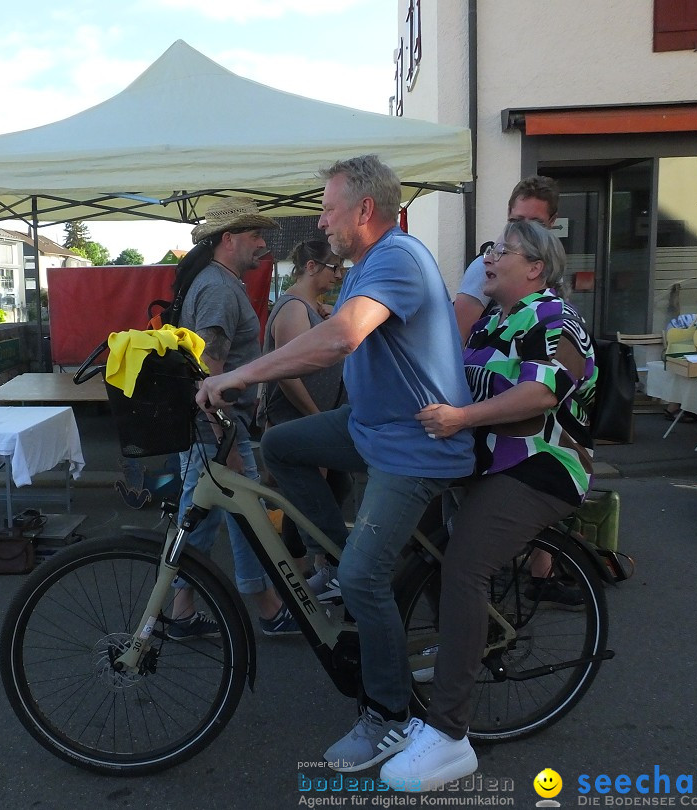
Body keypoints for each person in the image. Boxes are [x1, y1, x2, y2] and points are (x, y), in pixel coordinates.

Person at [197, 155, 475, 775]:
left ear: (365, 210)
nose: (320, 222)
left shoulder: (397, 257)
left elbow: (343, 336)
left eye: (327, 209)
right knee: (282, 447)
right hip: (370, 428)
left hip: (415, 444)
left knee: (365, 577)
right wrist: (257, 373)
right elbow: (319, 340)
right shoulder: (364, 265)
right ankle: (329, 560)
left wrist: (241, 373)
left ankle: (390, 717)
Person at [393, 219, 596, 790]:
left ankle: (449, 734)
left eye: (501, 250)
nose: (489, 256)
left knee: (465, 565)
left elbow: (541, 392)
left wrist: (461, 418)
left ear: (535, 268)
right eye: (490, 247)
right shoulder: (492, 320)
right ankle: (454, 648)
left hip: (541, 466)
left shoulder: (554, 317)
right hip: (484, 463)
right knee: (418, 546)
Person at [167, 196, 300, 640]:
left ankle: (185, 609)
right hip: (218, 426)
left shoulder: (214, 282)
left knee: (209, 516)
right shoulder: (220, 288)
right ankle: (265, 606)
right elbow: (211, 372)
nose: (263, 244)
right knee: (238, 515)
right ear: (228, 240)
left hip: (218, 427)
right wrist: (225, 441)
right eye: (255, 235)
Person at [261, 239, 351, 587]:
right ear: (311, 267)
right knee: (303, 504)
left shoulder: (310, 305)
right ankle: (300, 581)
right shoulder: (294, 308)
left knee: (324, 497)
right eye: (334, 267)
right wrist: (318, 419)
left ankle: (319, 571)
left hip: (313, 417)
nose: (339, 275)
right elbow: (287, 375)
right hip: (299, 419)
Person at [454, 176, 560, 342]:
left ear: (552, 221)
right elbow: (457, 339)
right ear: (508, 214)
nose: (523, 230)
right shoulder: (486, 266)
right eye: (516, 221)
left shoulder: (553, 269)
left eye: (535, 223)